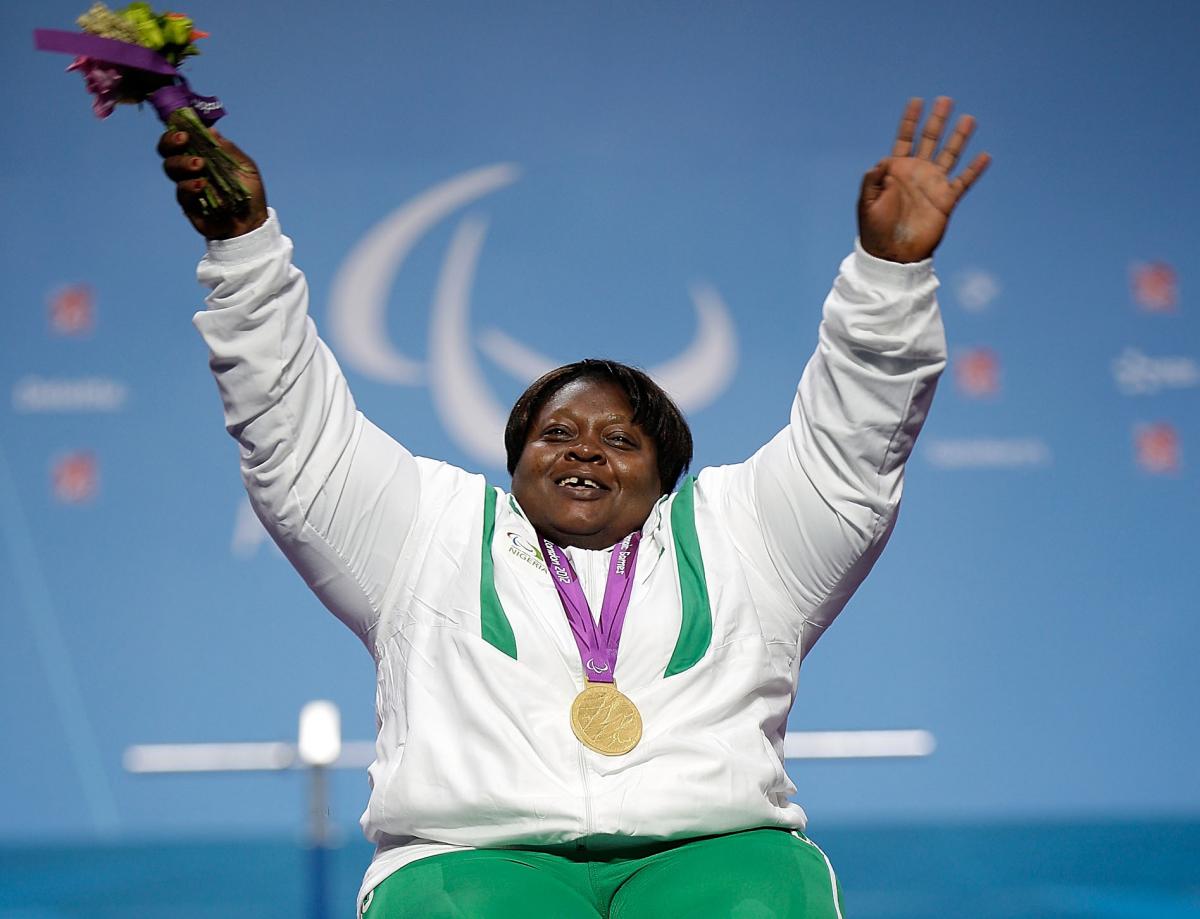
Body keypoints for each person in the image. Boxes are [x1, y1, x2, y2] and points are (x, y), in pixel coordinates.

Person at [159, 96, 988, 918]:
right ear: (515, 462)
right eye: (557, 432)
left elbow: (855, 436)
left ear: (665, 478)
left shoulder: (748, 534)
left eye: (621, 441)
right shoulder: (425, 530)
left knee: (757, 903)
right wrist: (243, 249)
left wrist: (889, 277)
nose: (586, 449)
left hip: (712, 850)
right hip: (474, 858)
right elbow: (292, 429)